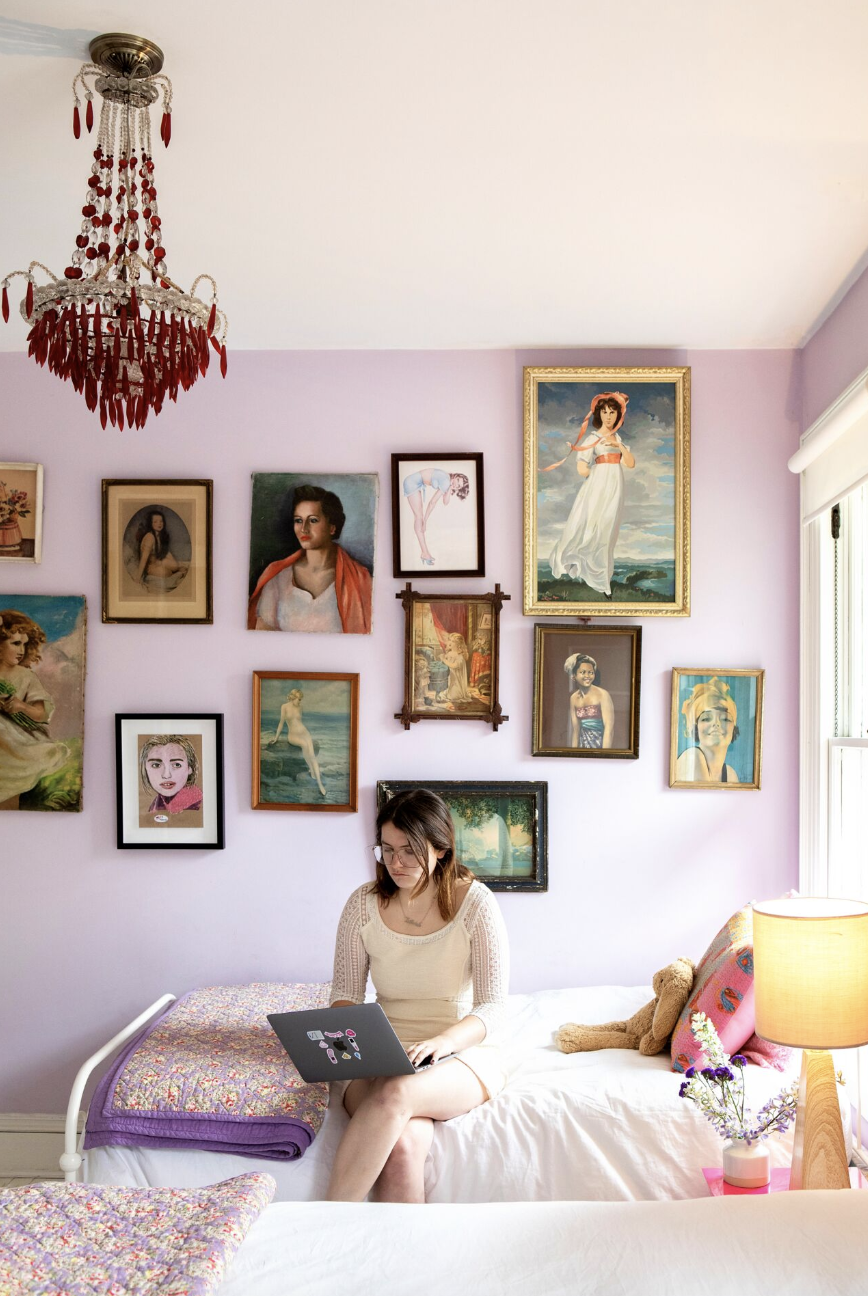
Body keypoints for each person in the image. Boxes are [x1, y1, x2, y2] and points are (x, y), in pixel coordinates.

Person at [328, 788, 509, 1202]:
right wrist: (343, 1035)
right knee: (404, 1146)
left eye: (409, 850)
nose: (395, 863)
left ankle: (325, 1221)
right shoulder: (362, 904)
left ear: (441, 848)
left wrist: (441, 1043)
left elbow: (494, 1006)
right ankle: (409, 1264)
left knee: (398, 1092)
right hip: (382, 1050)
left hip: (458, 1050)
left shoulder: (476, 903)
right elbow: (345, 994)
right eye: (386, 850)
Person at [544, 392, 635, 598]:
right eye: (605, 412)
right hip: (597, 487)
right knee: (593, 527)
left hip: (615, 487)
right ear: (599, 414)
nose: (609, 416)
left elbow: (629, 463)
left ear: (618, 414)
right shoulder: (593, 438)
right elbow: (581, 467)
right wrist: (595, 477)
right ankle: (601, 582)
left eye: (612, 412)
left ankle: (603, 578)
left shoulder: (617, 438)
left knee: (608, 531)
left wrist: (619, 447)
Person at [248, 485, 372, 634]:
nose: (304, 529)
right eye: (298, 520)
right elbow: (262, 637)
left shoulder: (360, 580)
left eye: (313, 520)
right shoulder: (277, 578)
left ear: (332, 527)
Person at [0, 610, 69, 808]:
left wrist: (21, 706)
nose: (21, 649)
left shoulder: (25, 676)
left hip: (18, 741)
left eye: (25, 644)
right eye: (15, 643)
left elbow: (41, 714)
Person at [675, 677, 741, 783]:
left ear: (734, 728)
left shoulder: (730, 774)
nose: (716, 723)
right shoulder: (693, 757)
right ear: (696, 727)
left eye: (725, 719)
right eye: (706, 718)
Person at [402, 468, 470, 566]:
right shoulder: (446, 480)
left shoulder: (447, 481)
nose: (456, 484)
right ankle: (425, 552)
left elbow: (445, 502)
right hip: (412, 483)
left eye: (458, 486)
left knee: (419, 517)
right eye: (458, 480)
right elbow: (432, 503)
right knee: (419, 518)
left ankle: (425, 552)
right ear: (456, 475)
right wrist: (425, 522)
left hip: (414, 482)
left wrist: (451, 487)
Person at [266, 688, 327, 797]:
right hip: (293, 735)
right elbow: (281, 723)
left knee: (312, 755)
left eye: (301, 700)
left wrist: (303, 733)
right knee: (304, 745)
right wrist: (276, 738)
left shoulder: (300, 707)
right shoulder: (284, 707)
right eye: (299, 699)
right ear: (293, 698)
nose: (300, 701)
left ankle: (319, 783)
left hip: (304, 732)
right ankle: (311, 769)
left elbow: (299, 722)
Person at [139, 734, 203, 814]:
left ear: (190, 768)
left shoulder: (197, 805)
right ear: (145, 769)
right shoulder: (157, 804)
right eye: (156, 765)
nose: (166, 775)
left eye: (177, 765)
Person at [565, 652, 614, 749]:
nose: (587, 676)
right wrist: (574, 753)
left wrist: (604, 755)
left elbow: (609, 729)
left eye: (590, 672)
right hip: (582, 745)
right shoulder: (573, 698)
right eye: (583, 672)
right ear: (573, 676)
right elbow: (576, 730)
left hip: (601, 744)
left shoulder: (603, 695)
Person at [135, 509, 188, 591]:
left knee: (175, 566)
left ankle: (174, 569)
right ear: (151, 524)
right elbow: (144, 559)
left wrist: (175, 565)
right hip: (150, 567)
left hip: (158, 561)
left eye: (161, 521)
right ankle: (174, 572)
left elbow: (165, 551)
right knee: (167, 573)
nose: (159, 524)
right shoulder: (150, 537)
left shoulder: (160, 535)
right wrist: (138, 578)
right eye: (155, 522)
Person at [441, 632, 471, 707]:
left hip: (457, 678)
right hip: (451, 676)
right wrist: (444, 659)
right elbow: (447, 661)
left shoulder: (459, 656)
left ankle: (458, 693)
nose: (450, 642)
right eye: (450, 640)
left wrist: (444, 660)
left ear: (459, 645)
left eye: (453, 641)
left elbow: (454, 666)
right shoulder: (450, 653)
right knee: (448, 688)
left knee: (454, 696)